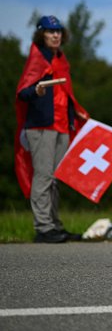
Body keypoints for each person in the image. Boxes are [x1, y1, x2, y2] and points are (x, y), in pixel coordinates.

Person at [14, 15, 88, 243]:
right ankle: (43, 228)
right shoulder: (38, 59)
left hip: (62, 126)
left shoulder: (61, 60)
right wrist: (35, 91)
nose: (55, 35)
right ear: (41, 35)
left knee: (56, 179)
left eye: (58, 31)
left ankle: (55, 225)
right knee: (43, 176)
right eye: (49, 31)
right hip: (41, 127)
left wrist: (74, 113)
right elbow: (22, 93)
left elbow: (65, 94)